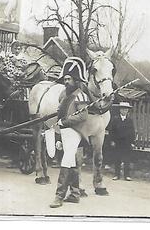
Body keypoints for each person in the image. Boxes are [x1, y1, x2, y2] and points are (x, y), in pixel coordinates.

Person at [49, 57, 89, 208]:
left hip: (75, 132)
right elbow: (60, 114)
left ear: (76, 80)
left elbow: (83, 116)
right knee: (71, 162)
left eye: (69, 79)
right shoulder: (64, 96)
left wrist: (65, 122)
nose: (66, 81)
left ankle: (58, 197)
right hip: (65, 133)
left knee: (66, 161)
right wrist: (59, 133)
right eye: (65, 79)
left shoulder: (81, 95)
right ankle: (75, 194)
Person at [109, 102, 135, 181]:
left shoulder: (129, 120)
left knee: (127, 159)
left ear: (128, 111)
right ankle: (117, 175)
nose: (124, 111)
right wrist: (112, 141)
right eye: (123, 109)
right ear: (120, 110)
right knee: (117, 159)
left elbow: (132, 132)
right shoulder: (115, 119)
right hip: (118, 142)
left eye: (126, 109)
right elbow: (111, 131)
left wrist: (132, 142)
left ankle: (127, 175)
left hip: (126, 143)